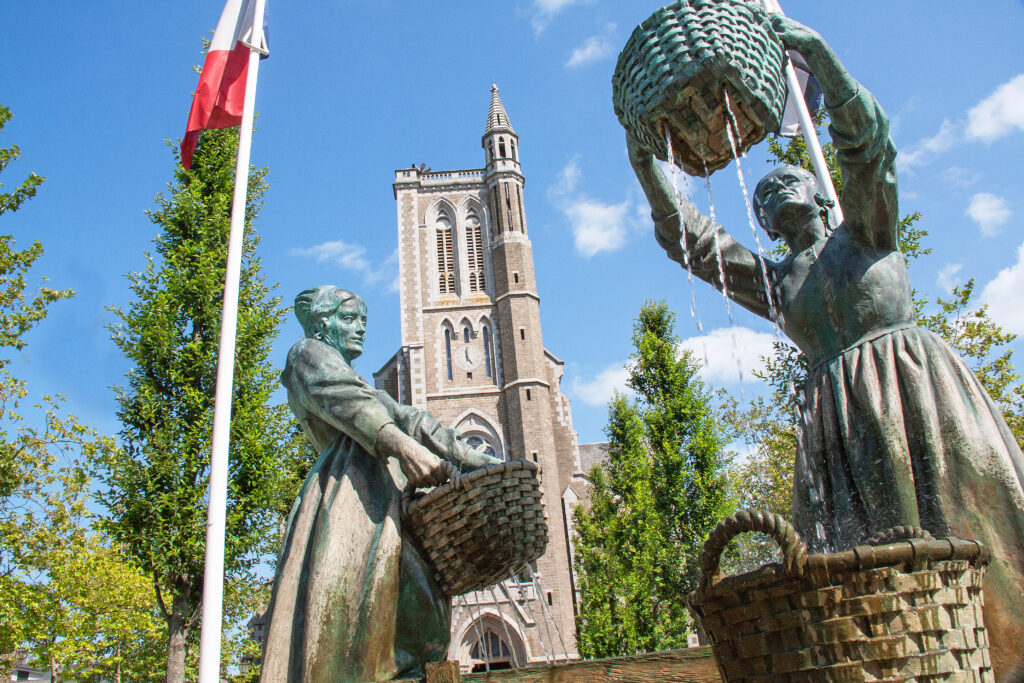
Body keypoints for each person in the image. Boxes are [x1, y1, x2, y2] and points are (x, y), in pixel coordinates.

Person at [627, 14, 1024, 674]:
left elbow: (870, 147)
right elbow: (691, 243)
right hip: (834, 429)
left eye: (786, 179)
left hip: (914, 394)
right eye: (760, 196)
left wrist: (820, 57)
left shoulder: (866, 230)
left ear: (820, 191)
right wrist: (645, 161)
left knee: (967, 531)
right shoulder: (782, 283)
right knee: (852, 573)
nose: (772, 190)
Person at [259, 286, 501, 682]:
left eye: (364, 322)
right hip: (347, 506)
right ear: (322, 323)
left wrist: (483, 463)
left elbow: (416, 421)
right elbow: (348, 403)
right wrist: (404, 448)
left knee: (428, 623)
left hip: (387, 509)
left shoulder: (361, 383)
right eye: (349, 319)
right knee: (352, 623)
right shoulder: (307, 354)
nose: (360, 330)